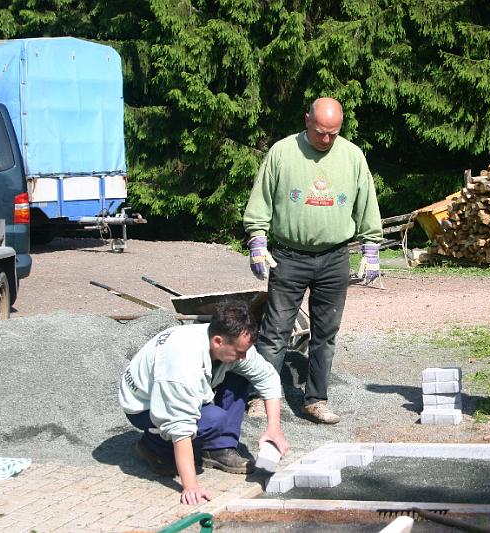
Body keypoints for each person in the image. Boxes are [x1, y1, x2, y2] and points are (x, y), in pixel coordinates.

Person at [242, 97, 383, 424]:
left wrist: (372, 248)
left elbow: (366, 202)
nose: (326, 139)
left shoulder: (352, 156)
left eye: (333, 133)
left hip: (334, 258)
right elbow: (261, 199)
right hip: (289, 257)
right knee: (275, 331)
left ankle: (316, 400)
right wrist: (257, 240)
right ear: (307, 121)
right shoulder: (282, 152)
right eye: (320, 132)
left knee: (325, 333)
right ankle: (262, 397)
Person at [119, 304, 289, 505]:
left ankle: (219, 448)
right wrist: (190, 486)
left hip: (178, 387)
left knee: (242, 373)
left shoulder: (229, 341)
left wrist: (274, 429)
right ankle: (152, 445)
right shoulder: (182, 363)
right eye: (239, 351)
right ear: (218, 341)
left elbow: (267, 377)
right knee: (213, 420)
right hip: (143, 406)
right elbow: (180, 425)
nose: (244, 356)